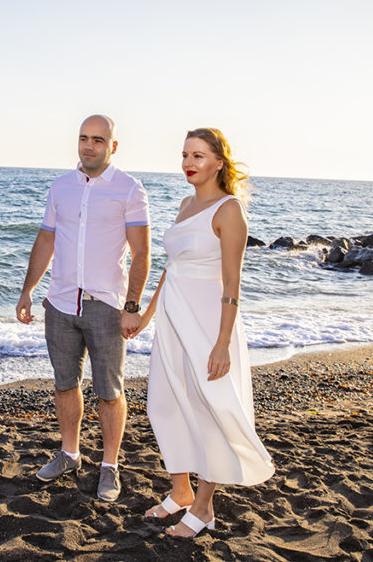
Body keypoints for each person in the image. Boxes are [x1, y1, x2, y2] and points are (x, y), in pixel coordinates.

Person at [130, 127, 274, 538]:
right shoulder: (184, 203)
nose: (188, 163)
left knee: (209, 409)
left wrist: (223, 343)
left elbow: (233, 284)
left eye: (198, 156)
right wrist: (145, 314)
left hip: (208, 323)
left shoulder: (229, 211)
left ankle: (206, 506)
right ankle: (181, 492)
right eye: (185, 155)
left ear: (218, 163)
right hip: (173, 321)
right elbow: (170, 268)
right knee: (164, 403)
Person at [15, 114, 150, 502]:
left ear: (113, 146)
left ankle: (109, 466)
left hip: (106, 306)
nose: (88, 146)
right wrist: (28, 291)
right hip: (60, 303)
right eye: (83, 139)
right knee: (64, 384)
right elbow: (45, 241)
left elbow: (141, 253)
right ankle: (70, 453)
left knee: (109, 391)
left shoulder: (129, 189)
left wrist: (132, 306)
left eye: (97, 140)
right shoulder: (61, 187)